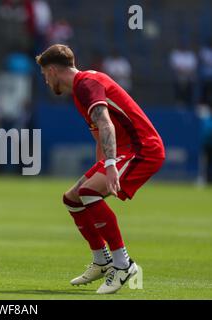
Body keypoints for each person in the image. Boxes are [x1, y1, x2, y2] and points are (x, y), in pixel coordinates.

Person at [36, 44, 165, 294]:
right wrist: (101, 167)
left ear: (52, 70)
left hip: (142, 149)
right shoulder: (80, 90)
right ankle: (102, 260)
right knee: (72, 198)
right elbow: (99, 136)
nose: (45, 80)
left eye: (44, 75)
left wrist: (110, 167)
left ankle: (123, 263)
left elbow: (107, 125)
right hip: (125, 150)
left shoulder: (86, 85)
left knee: (88, 193)